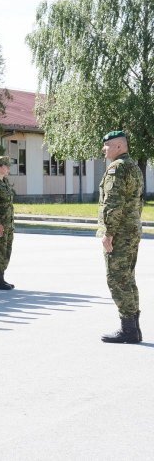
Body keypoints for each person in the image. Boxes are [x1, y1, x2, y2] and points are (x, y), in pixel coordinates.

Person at [97, 131, 143, 344]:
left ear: (118, 146)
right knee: (128, 279)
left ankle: (128, 330)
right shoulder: (133, 166)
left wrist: (109, 233)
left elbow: (113, 203)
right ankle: (133, 328)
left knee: (117, 279)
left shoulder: (117, 168)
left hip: (120, 233)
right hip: (132, 231)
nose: (103, 149)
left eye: (106, 146)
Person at [0, 156, 16, 291]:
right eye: (6, 166)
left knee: (6, 250)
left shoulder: (5, 182)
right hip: (0, 224)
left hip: (8, 224)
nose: (8, 169)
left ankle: (2, 276)